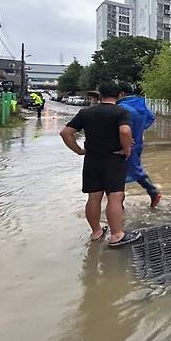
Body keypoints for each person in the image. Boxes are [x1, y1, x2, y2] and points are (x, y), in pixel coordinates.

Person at [59, 82, 142, 248]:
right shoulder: (121, 111)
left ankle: (96, 232)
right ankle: (117, 235)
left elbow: (65, 132)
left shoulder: (86, 112)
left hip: (91, 159)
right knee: (115, 196)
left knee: (94, 197)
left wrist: (78, 150)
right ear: (119, 95)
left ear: (99, 95)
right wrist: (127, 150)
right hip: (113, 158)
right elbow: (125, 132)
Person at [117, 82, 162, 208]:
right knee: (132, 167)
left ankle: (119, 205)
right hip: (138, 142)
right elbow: (151, 117)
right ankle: (120, 204)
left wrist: (128, 135)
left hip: (123, 144)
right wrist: (140, 130)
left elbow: (120, 129)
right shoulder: (140, 105)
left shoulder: (121, 107)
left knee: (120, 172)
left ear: (121, 93)